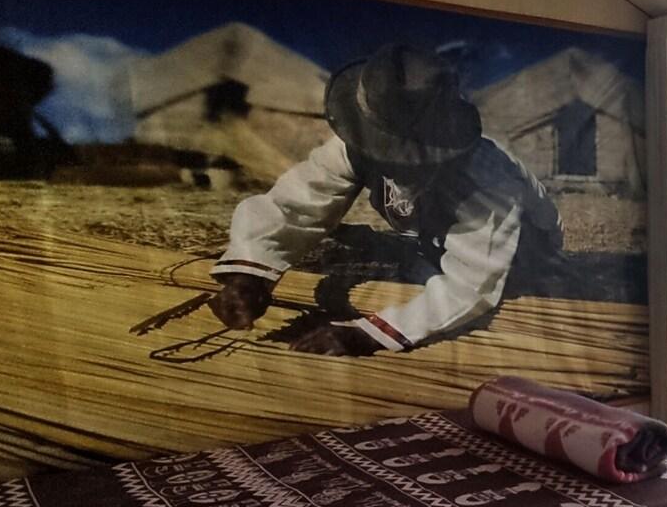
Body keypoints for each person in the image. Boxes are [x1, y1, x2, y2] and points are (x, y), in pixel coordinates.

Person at [209, 45, 562, 355]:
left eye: (410, 153)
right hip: (436, 238)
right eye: (385, 147)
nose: (396, 161)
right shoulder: (357, 143)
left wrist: (368, 335)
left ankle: (413, 249)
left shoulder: (489, 183)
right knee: (406, 250)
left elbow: (471, 286)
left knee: (491, 283)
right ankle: (411, 247)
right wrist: (249, 274)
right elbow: (295, 203)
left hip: (524, 251)